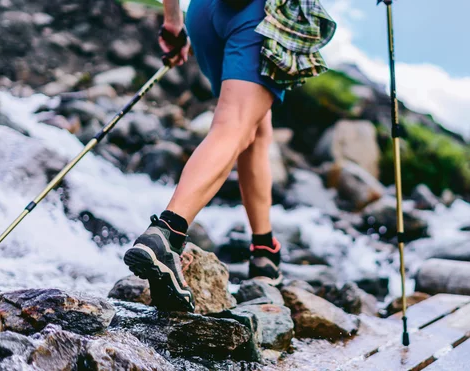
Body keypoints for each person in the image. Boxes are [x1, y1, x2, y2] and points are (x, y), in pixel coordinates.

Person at [123, 0, 335, 312]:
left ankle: (264, 250)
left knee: (255, 129)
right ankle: (166, 234)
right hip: (256, 15)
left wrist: (173, 21)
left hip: (203, 14)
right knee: (233, 126)